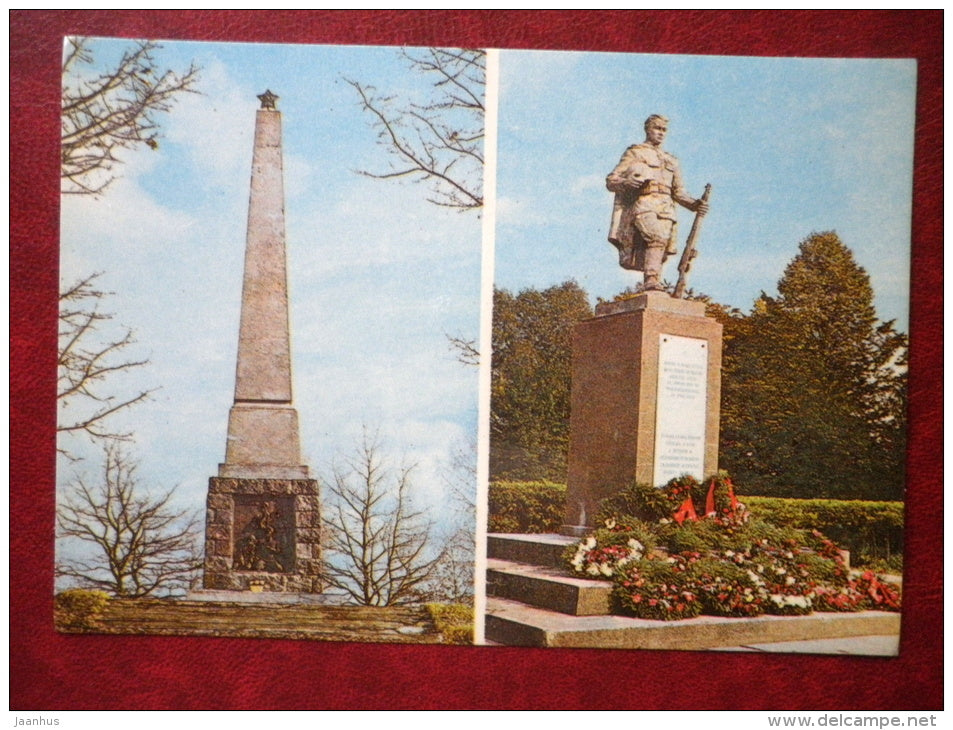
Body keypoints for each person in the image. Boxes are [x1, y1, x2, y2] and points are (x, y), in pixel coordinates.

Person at [606, 115, 708, 291]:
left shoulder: (671, 160)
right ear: (648, 129)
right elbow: (611, 179)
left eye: (664, 130)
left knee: (661, 246)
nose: (660, 133)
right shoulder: (636, 152)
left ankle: (654, 281)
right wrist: (626, 182)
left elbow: (678, 192)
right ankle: (651, 280)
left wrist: (695, 204)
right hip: (645, 202)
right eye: (657, 128)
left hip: (666, 207)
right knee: (656, 238)